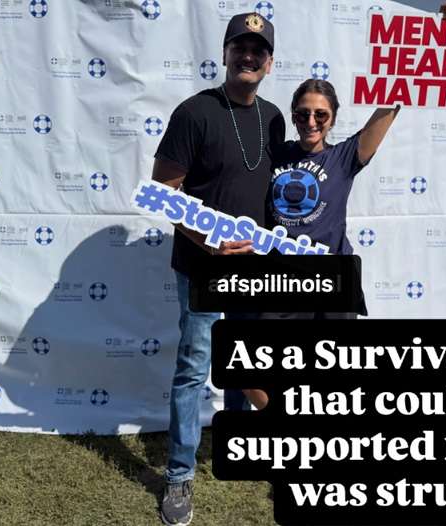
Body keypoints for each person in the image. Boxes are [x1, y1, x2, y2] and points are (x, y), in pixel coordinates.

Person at [242, 2, 446, 411]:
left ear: (333, 118)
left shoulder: (344, 157)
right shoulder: (276, 154)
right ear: (293, 116)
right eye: (303, 113)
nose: (311, 121)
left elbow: (393, 101)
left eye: (320, 114)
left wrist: (438, 30)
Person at [150, 11, 285, 526]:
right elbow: (163, 193)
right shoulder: (195, 112)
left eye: (258, 50)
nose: (248, 56)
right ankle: (179, 474)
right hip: (201, 268)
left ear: (269, 63)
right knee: (193, 368)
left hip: (254, 270)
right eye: (239, 47)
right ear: (225, 54)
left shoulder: (275, 118)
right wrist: (206, 241)